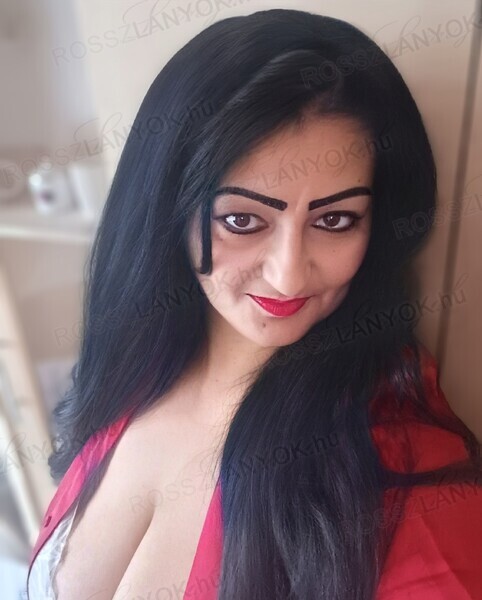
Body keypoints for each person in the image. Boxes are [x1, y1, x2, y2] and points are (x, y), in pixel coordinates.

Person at [26, 8, 482, 600]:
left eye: (335, 220)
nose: (288, 274)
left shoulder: (411, 482)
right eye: (242, 220)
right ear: (167, 211)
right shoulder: (127, 378)